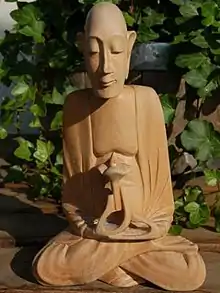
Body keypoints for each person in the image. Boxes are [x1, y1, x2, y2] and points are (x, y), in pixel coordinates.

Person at [33, 2, 206, 291]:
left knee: (189, 272)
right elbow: (73, 198)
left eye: (114, 51)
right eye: (92, 52)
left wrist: (146, 227)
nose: (105, 67)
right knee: (49, 266)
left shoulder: (145, 101)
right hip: (95, 231)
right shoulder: (76, 106)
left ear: (130, 45)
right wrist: (91, 228)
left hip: (142, 228)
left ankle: (108, 264)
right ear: (80, 48)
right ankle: (121, 262)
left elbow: (162, 202)